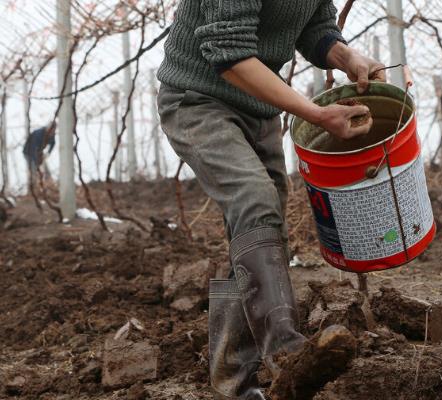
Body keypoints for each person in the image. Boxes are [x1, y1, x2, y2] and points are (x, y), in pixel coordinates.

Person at [156, 1, 386, 398]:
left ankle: (233, 382)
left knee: (260, 225)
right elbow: (229, 56)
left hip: (258, 109)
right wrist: (315, 113)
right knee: (254, 198)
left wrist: (346, 55)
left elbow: (315, 25)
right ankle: (287, 355)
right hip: (197, 98)